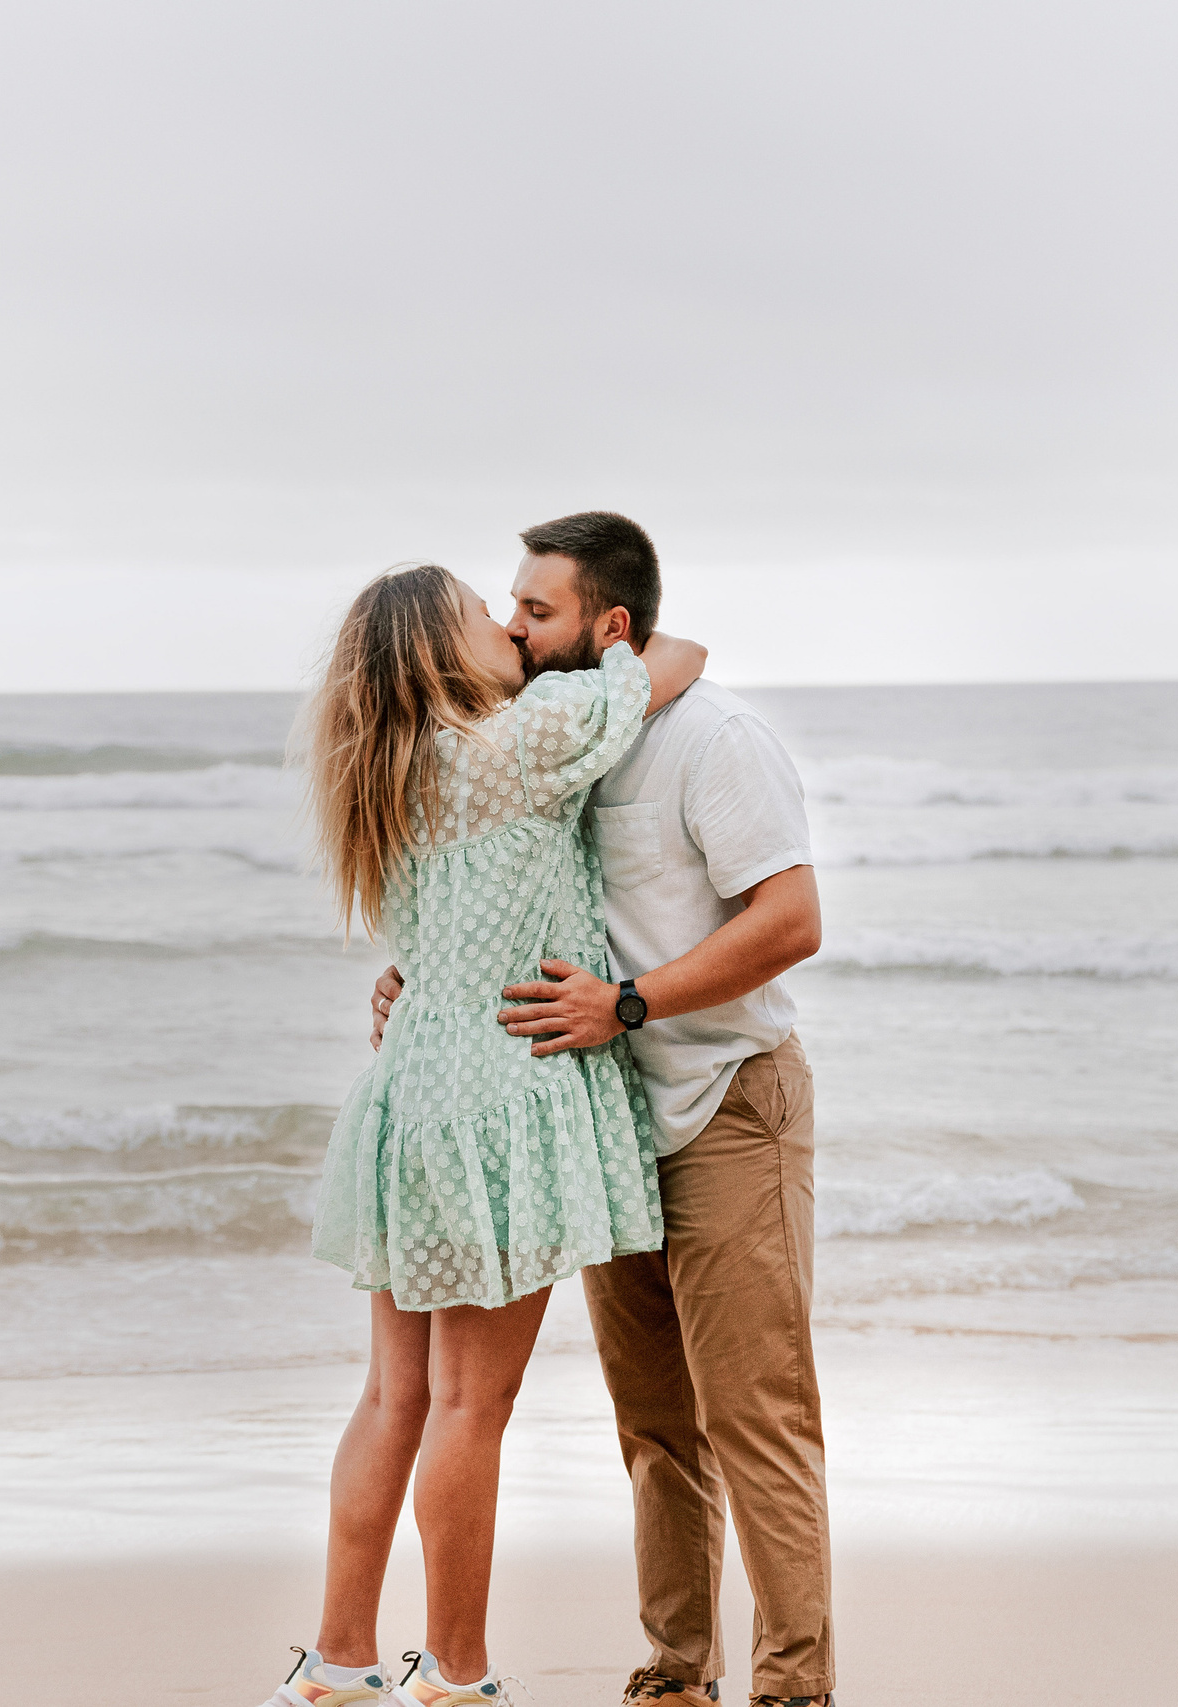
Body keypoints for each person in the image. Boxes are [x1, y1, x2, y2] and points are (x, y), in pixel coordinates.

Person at [370, 514, 832, 1707]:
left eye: (538, 611)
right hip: (606, 1120)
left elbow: (791, 922)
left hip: (728, 1100)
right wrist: (426, 984)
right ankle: (676, 1674)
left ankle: (794, 1687)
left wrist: (627, 1002)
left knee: (754, 1417)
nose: (514, 628)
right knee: (656, 1429)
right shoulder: (538, 737)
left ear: (607, 629)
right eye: (510, 608)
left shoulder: (711, 741)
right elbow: (510, 894)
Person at [274, 561, 709, 1707]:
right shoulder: (520, 741)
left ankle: (338, 1658)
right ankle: (456, 1675)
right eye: (486, 613)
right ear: (436, 652)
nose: (507, 626)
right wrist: (599, 648)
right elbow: (679, 662)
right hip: (492, 1100)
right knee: (474, 1404)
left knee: (393, 1397)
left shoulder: (391, 767)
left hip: (409, 1092)